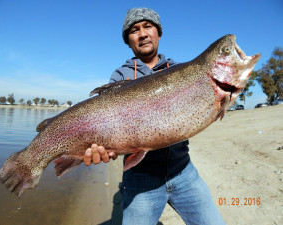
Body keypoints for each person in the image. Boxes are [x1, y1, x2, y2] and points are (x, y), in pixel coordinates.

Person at [83, 7, 225, 225]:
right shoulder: (119, 76)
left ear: (158, 32)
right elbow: (110, 127)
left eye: (148, 26)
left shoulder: (181, 70)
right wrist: (104, 148)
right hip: (139, 178)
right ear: (128, 41)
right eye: (134, 30)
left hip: (183, 171)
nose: (142, 34)